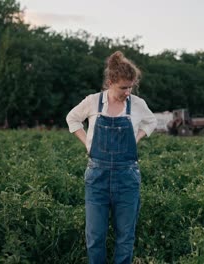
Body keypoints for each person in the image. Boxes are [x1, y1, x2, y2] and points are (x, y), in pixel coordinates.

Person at [66, 51, 157, 264]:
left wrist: (136, 138)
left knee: (125, 237)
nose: (128, 92)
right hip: (97, 176)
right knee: (95, 236)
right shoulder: (93, 102)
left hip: (127, 177)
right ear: (110, 82)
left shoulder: (137, 104)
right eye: (123, 87)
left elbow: (151, 122)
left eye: (131, 86)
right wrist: (87, 143)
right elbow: (72, 119)